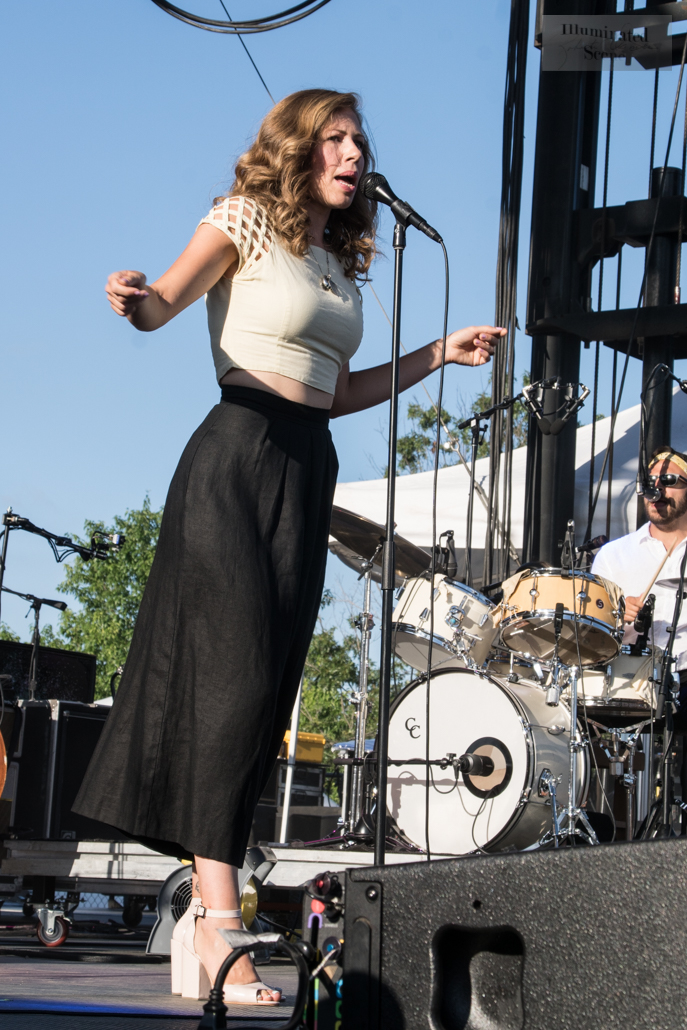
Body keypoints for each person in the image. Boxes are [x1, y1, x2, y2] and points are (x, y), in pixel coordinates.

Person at [73, 88, 505, 1004]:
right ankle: (218, 919)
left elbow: (337, 391)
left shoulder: (337, 266)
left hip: (308, 463)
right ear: (299, 149)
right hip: (235, 455)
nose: (354, 153)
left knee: (266, 687)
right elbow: (164, 303)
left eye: (359, 141)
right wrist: (136, 297)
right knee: (226, 680)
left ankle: (206, 922)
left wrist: (439, 353)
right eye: (336, 139)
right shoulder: (241, 221)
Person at [592, 448, 687, 667]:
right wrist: (616, 615)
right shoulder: (612, 555)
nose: (657, 488)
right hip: (629, 678)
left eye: (668, 480)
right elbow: (591, 633)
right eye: (650, 481)